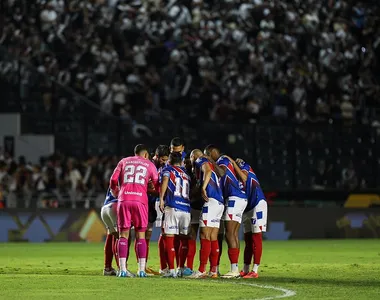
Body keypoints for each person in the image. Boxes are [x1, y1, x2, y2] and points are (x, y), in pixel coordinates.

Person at [109, 144, 159, 278]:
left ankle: (123, 270)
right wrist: (154, 190)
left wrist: (116, 191)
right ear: (146, 154)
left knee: (123, 235)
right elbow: (157, 183)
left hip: (124, 199)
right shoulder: (149, 164)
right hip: (140, 201)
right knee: (140, 235)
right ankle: (141, 270)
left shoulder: (123, 161)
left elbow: (113, 179)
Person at [204, 145, 247, 278]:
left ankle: (234, 269)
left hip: (234, 198)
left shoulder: (222, 160)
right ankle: (231, 268)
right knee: (232, 234)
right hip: (237, 198)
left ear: (212, 153)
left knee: (229, 234)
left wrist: (209, 161)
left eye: (208, 155)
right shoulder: (225, 161)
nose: (207, 158)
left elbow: (221, 172)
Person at [228, 157, 267, 279]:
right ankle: (245, 269)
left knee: (256, 237)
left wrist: (234, 164)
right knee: (248, 239)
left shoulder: (243, 166)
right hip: (247, 207)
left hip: (257, 204)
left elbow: (244, 177)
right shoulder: (231, 176)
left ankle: (255, 270)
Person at [189, 149, 224, 278]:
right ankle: (213, 270)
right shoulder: (212, 168)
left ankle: (201, 269)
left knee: (204, 235)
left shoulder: (200, 160)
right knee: (213, 236)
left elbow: (207, 170)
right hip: (219, 203)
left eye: (191, 158)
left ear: (193, 156)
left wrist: (203, 187)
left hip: (211, 202)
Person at [159, 152, 191, 278]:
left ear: (170, 161)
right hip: (186, 210)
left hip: (173, 207)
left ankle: (172, 270)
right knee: (184, 241)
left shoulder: (168, 169)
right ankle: (180, 268)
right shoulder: (187, 174)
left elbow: (166, 179)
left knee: (170, 239)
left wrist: (161, 198)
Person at [149, 145, 170, 275]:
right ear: (156, 156)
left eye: (166, 159)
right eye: (162, 159)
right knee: (144, 234)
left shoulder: (163, 167)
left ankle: (164, 267)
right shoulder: (149, 166)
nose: (164, 162)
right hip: (145, 202)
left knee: (165, 232)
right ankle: (143, 266)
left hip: (156, 202)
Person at [100, 188, 119, 276]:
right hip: (116, 206)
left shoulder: (115, 176)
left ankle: (107, 268)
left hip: (105, 207)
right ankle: (122, 268)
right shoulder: (126, 177)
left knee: (111, 234)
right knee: (122, 236)